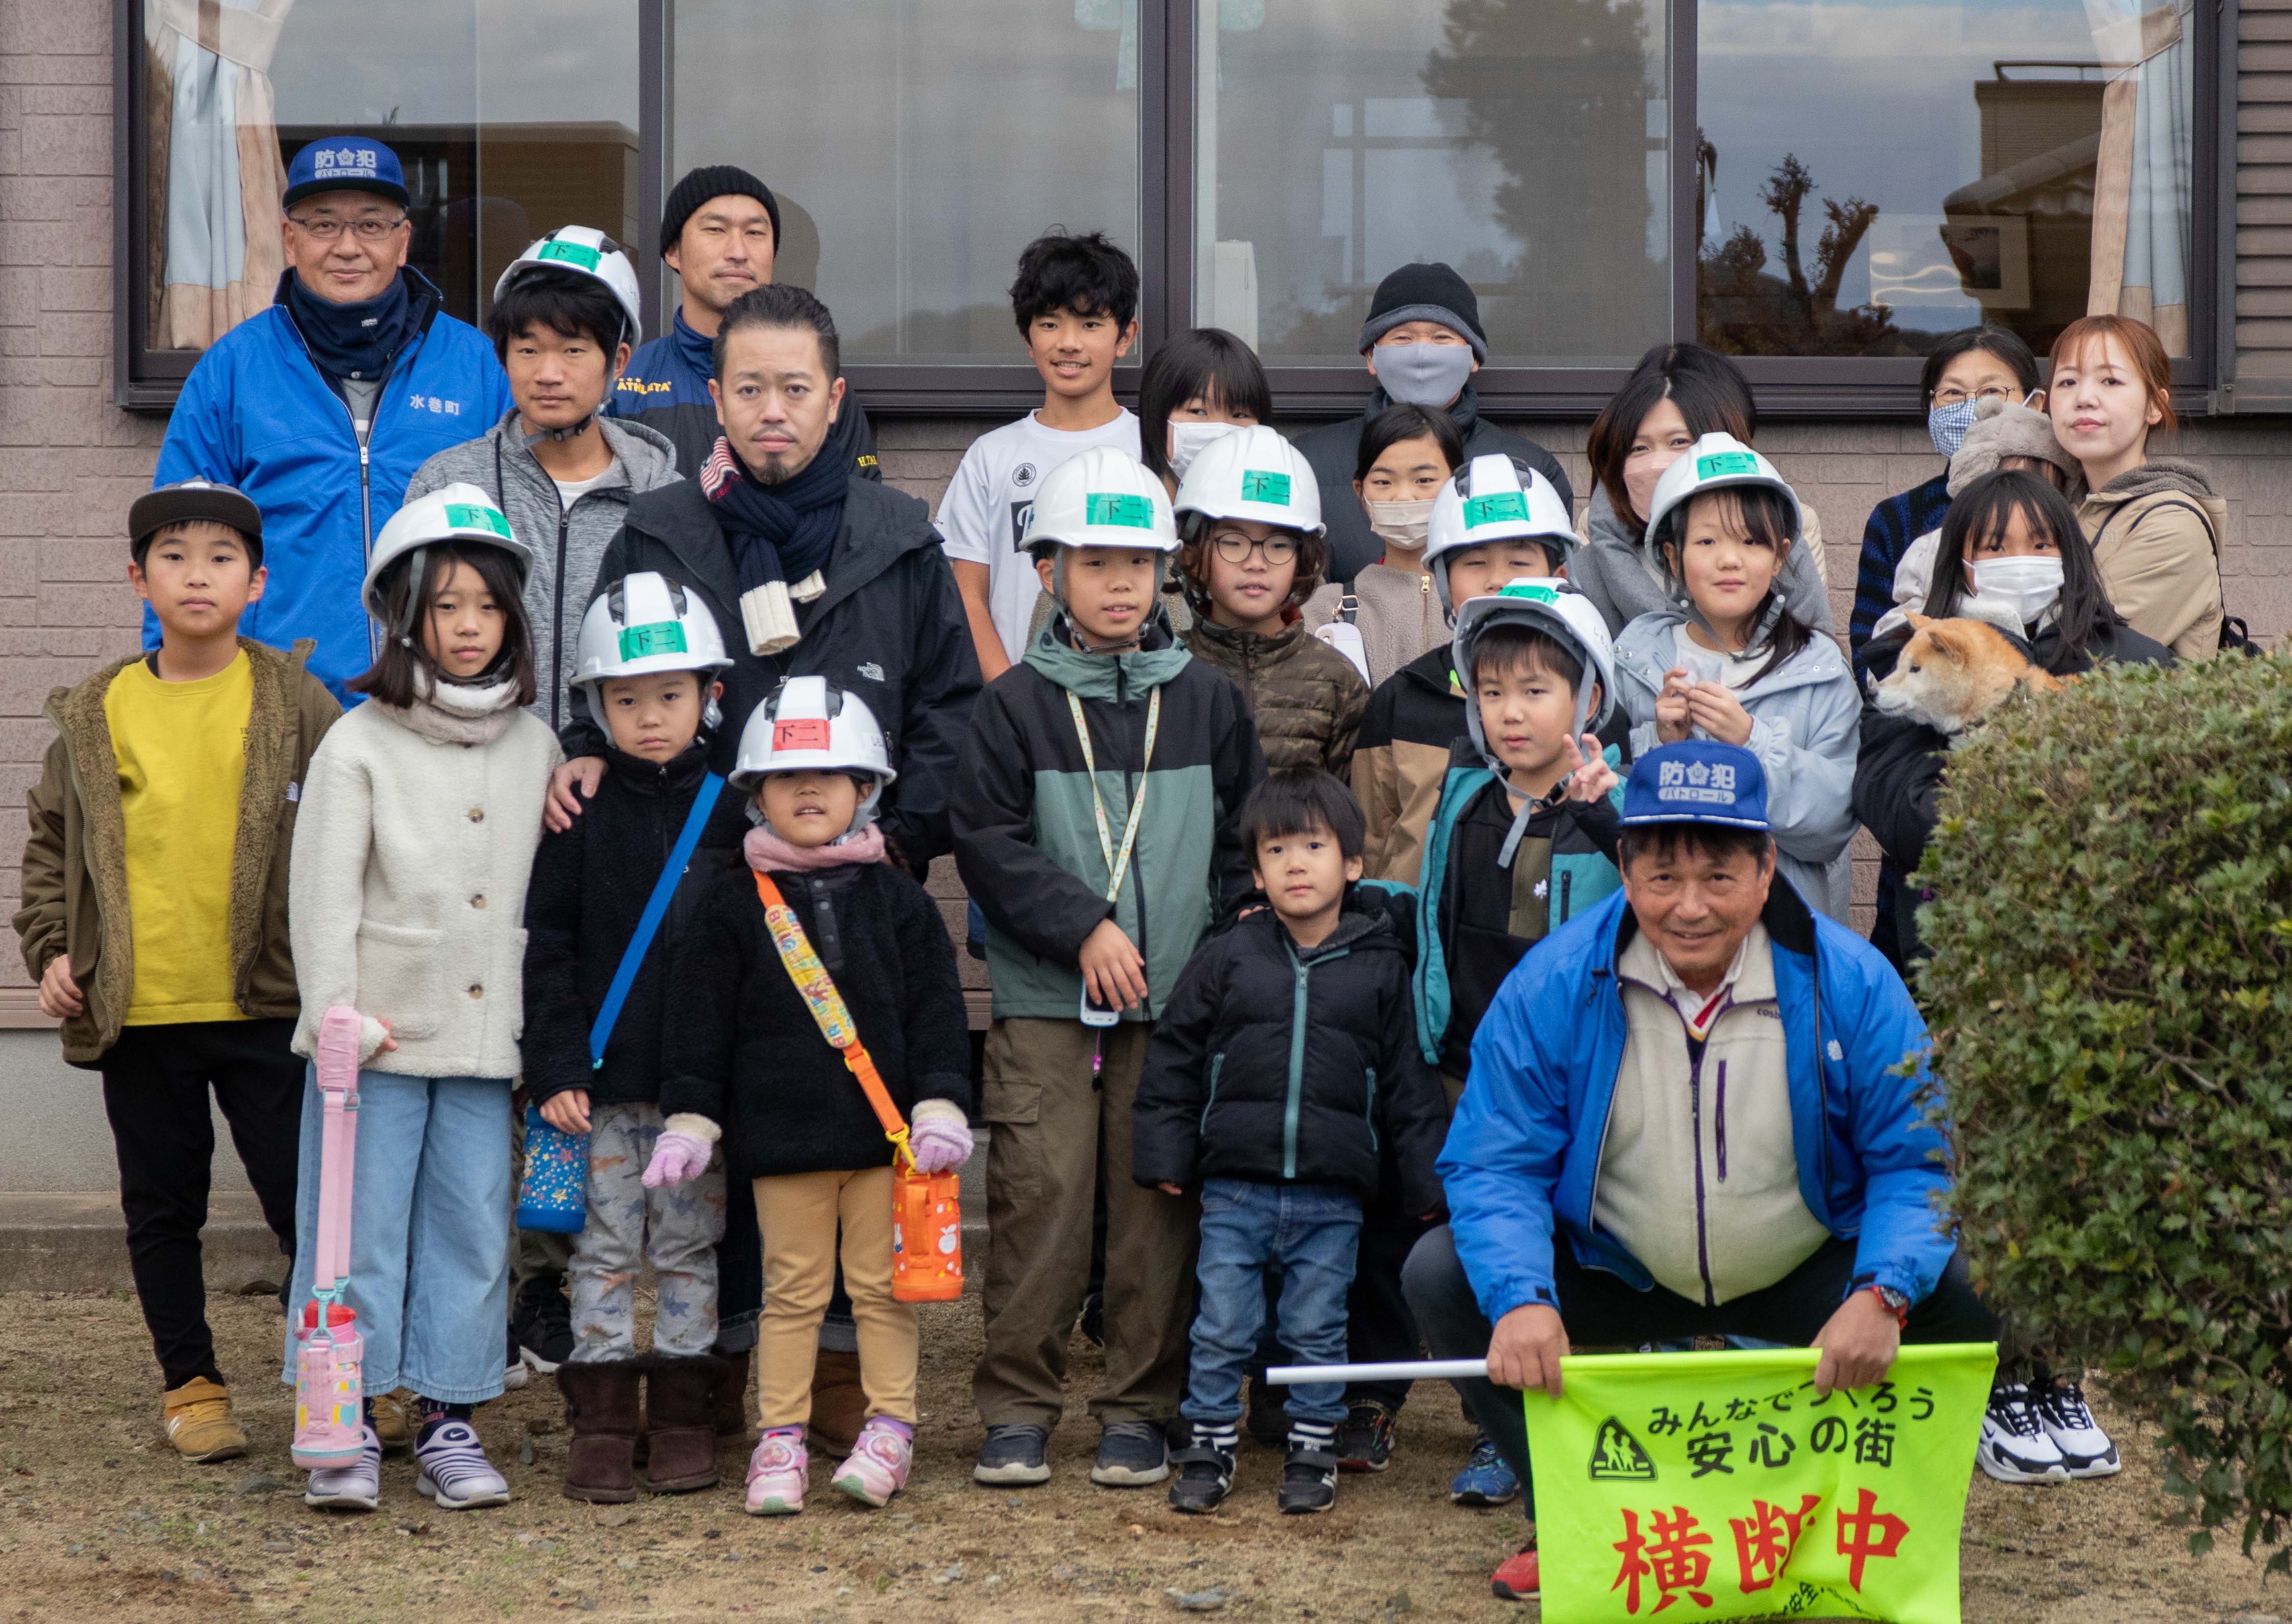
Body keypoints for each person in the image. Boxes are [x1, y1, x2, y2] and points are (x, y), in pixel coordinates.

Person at [1400, 739, 2000, 1603]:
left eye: (1719, 876)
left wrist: (1883, 1293)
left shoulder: (1851, 982)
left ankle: (1860, 1517)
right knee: (1448, 1276)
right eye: (1662, 875)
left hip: (1800, 1264)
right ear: (1624, 866)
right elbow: (1496, 1162)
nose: (1689, 907)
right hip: (1623, 1266)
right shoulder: (1557, 982)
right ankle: (1575, 1513)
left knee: (1962, 1289)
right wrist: (1523, 1298)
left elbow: (1917, 1155)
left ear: (1765, 870)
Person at [952, 447, 1263, 1491]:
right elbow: (986, 842)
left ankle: (1140, 1406)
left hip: (1176, 1004)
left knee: (1155, 1208)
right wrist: (1080, 925)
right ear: (1048, 573)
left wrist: (1216, 971)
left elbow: (1239, 850)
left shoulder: (1211, 704)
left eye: (1139, 561)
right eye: (1095, 562)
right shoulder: (1012, 706)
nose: (1122, 583)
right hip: (1048, 1001)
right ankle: (1018, 1408)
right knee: (1040, 1203)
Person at [14, 482, 338, 1465]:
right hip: (142, 1008)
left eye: (221, 558)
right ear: (138, 579)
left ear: (257, 581)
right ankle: (191, 1384)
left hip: (268, 1004)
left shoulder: (296, 700)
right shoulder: (97, 710)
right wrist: (52, 950)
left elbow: (344, 829)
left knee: (309, 1204)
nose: (198, 574)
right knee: (163, 1207)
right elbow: (48, 848)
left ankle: (331, 1376)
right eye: (174, 557)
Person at [281, 487, 560, 1514]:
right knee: (355, 1230)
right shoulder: (358, 744)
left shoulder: (536, 744)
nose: (470, 626)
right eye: (446, 607)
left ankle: (449, 1413)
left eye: (487, 607)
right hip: (381, 1041)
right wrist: (336, 1017)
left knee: (472, 1227)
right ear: (405, 617)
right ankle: (341, 1415)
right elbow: (321, 897)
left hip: (488, 1042)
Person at [656, 677, 973, 1515]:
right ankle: (781, 1439)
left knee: (883, 1289)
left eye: (831, 775)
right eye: (788, 778)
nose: (809, 790)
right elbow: (700, 1027)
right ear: (755, 793)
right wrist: (690, 1117)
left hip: (884, 1144)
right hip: (781, 1142)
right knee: (790, 1295)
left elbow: (939, 1014)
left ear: (866, 789)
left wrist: (942, 1102)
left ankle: (890, 1429)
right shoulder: (731, 905)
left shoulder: (903, 902)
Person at [549, 282, 980, 877]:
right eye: (750, 389)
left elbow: (950, 708)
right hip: (689, 877)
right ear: (718, 400)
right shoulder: (656, 535)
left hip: (861, 886)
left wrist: (899, 840)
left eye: (795, 389)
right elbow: (597, 692)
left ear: (833, 401)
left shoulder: (898, 541)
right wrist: (587, 752)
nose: (772, 410)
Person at [1133, 770, 1447, 1516]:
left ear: (1353, 864)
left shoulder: (1380, 965)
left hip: (1332, 1193)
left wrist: (1428, 1186)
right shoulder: (1229, 955)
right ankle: (1208, 1445)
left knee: (1315, 1325)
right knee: (1221, 1325)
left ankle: (1312, 1447)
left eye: (1314, 845)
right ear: (1256, 871)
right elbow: (1175, 1055)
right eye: (1277, 850)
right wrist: (1165, 1151)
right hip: (1234, 1187)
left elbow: (1406, 1084)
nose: (1296, 863)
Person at [520, 573, 750, 1504]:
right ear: (595, 705)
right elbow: (552, 949)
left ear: (710, 697)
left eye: (669, 695)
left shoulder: (738, 810)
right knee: (604, 1252)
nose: (650, 717)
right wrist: (557, 1065)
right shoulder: (578, 812)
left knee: (693, 1251)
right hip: (602, 1089)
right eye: (626, 699)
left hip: (701, 1095)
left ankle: (689, 1418)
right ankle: (606, 1421)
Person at [1397, 579, 1622, 1504]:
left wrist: (1608, 811)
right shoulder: (1464, 797)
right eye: (1493, 692)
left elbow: (1656, 893)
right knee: (1475, 1249)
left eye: (1537, 690)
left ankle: (1593, 1414)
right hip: (1464, 1065)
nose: (1512, 712)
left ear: (1589, 700)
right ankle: (1498, 1426)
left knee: (1572, 1244)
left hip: (1574, 1080)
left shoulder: (1610, 804)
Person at [154, 135, 515, 703]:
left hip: (446, 703)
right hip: (280, 710)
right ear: (289, 240)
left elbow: (524, 538)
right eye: (323, 224)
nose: (347, 247)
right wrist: (173, 696)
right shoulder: (231, 372)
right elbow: (175, 551)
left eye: (371, 225)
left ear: (403, 242)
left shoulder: (478, 368)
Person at [1854, 469, 2174, 965]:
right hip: (1953, 953)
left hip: (2104, 953)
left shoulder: (2135, 661)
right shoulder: (1906, 662)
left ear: (2069, 554)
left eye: (2041, 544)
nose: (2020, 561)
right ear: (1960, 564)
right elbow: (1904, 812)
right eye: (1995, 548)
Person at [406, 227, 682, 735]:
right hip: (477, 782)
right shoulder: (446, 485)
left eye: (573, 351)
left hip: (614, 790)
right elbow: (406, 649)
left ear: (618, 361)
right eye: (528, 350)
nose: (547, 373)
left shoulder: (666, 496)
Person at [1610, 435, 1860, 922]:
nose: (1730, 559)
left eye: (1752, 541)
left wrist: (1751, 742)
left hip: (1783, 936)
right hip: (1664, 933)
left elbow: (1835, 822)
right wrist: (1661, 744)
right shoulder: (1634, 661)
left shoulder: (1819, 670)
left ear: (1782, 556)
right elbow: (1601, 807)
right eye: (1707, 541)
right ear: (1672, 555)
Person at [1352, 454, 1580, 887]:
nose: (1497, 581)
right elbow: (1372, 850)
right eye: (1474, 563)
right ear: (1443, 582)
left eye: (1519, 562)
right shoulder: (1402, 700)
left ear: (1560, 576)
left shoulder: (1587, 699)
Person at [939, 231, 1143, 680]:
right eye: (1050, 323)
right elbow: (967, 594)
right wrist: (1010, 699)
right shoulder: (991, 458)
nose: (1068, 343)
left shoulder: (1150, 452)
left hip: (1136, 703)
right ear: (1027, 337)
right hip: (1017, 710)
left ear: (1125, 336)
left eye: (1090, 325)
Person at [1293, 263, 1572, 582]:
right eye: (1402, 338)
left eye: (1442, 337)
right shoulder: (1309, 461)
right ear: (1372, 357)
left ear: (1474, 358)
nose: (1422, 354)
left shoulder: (1528, 470)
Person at [608, 165, 881, 482]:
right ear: (673, 251)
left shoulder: (819, 387)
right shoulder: (623, 383)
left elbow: (861, 516)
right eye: (715, 230)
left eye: (754, 233)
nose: (738, 252)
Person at [1571, 343, 1831, 639]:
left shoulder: (1778, 536)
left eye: (1680, 442)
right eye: (1639, 448)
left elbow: (1822, 657)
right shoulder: (1591, 564)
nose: (1659, 462)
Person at [1173, 425, 1370, 775]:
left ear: (1304, 559)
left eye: (1278, 545)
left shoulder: (1337, 681)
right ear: (1193, 551)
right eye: (1233, 541)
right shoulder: (1166, 669)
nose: (1256, 562)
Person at [1849, 328, 2043, 663]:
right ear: (1931, 406)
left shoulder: (2058, 506)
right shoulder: (1895, 517)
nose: (1972, 407)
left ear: (2035, 404)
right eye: (1953, 392)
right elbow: (1870, 648)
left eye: (1992, 390)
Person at [2048, 314, 2229, 661]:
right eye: (2068, 382)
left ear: (2154, 406)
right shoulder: (2060, 504)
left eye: (2111, 381)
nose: (2084, 397)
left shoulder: (2173, 524)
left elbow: (2081, 655)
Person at [1862, 397, 2083, 653]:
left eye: (2040, 544)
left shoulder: (2079, 612)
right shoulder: (1930, 565)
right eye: (1995, 546)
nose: (2020, 504)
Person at [1300, 403, 1466, 690]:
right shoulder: (1324, 609)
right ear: (1361, 493)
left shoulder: (1488, 602)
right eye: (1383, 481)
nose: (1403, 496)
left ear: (1458, 484)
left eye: (1424, 480)